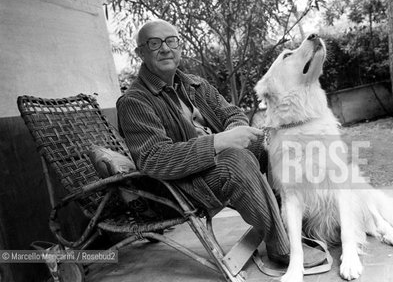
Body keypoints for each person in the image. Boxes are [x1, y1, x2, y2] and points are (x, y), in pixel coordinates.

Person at [116, 19, 321, 266]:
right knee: (237, 160)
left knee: (272, 143)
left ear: (179, 46)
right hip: (181, 185)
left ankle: (301, 222)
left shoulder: (195, 84)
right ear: (140, 52)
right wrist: (219, 142)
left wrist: (234, 134)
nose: (165, 48)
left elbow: (233, 114)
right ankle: (282, 247)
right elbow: (153, 159)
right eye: (154, 43)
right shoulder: (134, 102)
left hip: (215, 163)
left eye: (171, 41)